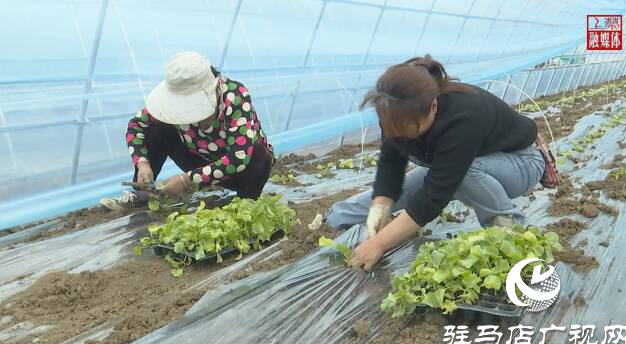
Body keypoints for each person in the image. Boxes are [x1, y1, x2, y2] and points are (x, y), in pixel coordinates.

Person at [325, 55, 548, 271]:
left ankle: (515, 235)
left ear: (433, 107)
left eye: (410, 131)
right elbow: (391, 164)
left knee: (464, 172)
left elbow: (433, 197)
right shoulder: (393, 112)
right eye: (395, 130)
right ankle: (336, 218)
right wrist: (380, 209)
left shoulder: (463, 117)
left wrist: (379, 243)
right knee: (366, 207)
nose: (402, 136)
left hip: (520, 163)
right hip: (464, 167)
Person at [101, 52, 273, 210]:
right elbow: (135, 126)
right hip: (199, 157)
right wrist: (143, 163)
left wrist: (187, 180)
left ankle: (245, 206)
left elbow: (238, 158)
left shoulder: (235, 97)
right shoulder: (171, 102)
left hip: (238, 171)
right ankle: (143, 193)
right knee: (159, 128)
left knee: (259, 154)